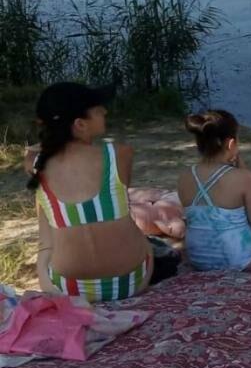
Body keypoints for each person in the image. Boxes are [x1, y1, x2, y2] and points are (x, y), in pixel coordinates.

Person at [24, 83, 155, 301]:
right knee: (145, 241)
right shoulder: (119, 155)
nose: (105, 111)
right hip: (131, 282)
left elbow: (35, 149)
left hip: (68, 288)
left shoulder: (35, 163)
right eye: (97, 109)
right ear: (80, 124)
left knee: (50, 228)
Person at [178, 110, 251, 271]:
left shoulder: (185, 177)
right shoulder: (243, 178)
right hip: (239, 259)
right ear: (231, 144)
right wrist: (244, 169)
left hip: (198, 257)